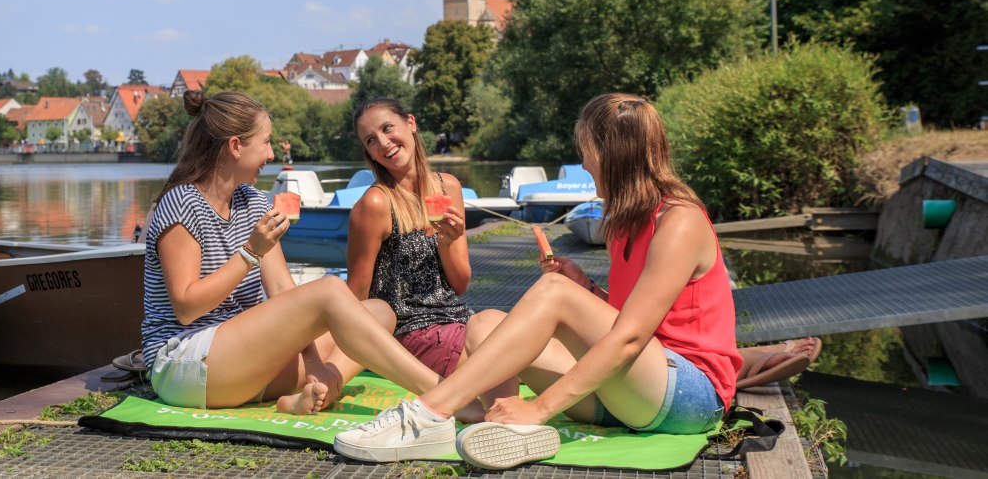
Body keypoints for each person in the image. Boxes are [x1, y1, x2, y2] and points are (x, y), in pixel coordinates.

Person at [334, 93, 744, 468]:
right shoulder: (625, 222)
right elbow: (629, 322)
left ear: (613, 153)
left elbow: (630, 339)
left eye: (587, 152)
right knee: (485, 324)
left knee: (553, 292)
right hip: (635, 390)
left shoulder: (679, 220)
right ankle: (509, 430)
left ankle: (430, 414)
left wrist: (543, 405)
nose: (584, 164)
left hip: (690, 396)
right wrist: (587, 289)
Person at [141, 90, 445, 416]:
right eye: (266, 142)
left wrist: (314, 364)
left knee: (380, 312)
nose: (271, 154)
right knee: (329, 289)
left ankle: (321, 387)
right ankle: (442, 393)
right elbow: (186, 307)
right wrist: (250, 253)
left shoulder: (254, 203)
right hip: (186, 366)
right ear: (235, 146)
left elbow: (283, 293)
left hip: (245, 367)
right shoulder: (182, 202)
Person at [346, 98, 504, 421]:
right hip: (408, 331)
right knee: (504, 354)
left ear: (411, 124)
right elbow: (354, 300)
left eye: (387, 128)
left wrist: (450, 241)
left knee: (506, 330)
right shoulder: (376, 203)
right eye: (371, 140)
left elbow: (459, 284)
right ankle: (503, 418)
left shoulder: (449, 187)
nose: (384, 144)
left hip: (457, 318)